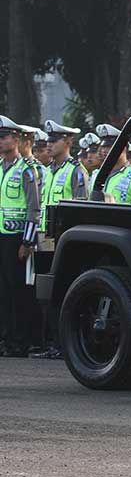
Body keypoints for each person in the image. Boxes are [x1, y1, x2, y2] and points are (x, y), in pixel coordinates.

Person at [0, 115, 41, 358]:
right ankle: (6, 337)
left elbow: (33, 208)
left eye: (4, 137)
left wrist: (27, 241)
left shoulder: (26, 169)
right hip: (0, 236)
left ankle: (20, 340)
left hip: (17, 238)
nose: (0, 141)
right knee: (2, 290)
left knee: (18, 291)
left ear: (16, 139)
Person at [41, 121, 88, 235]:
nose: (49, 145)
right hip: (44, 233)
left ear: (68, 142)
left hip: (64, 233)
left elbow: (81, 207)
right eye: (48, 141)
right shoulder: (47, 170)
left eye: (54, 141)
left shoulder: (76, 170)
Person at [96, 124, 131, 204]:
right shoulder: (97, 174)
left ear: (123, 148)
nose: (104, 150)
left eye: (109, 146)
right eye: (104, 146)